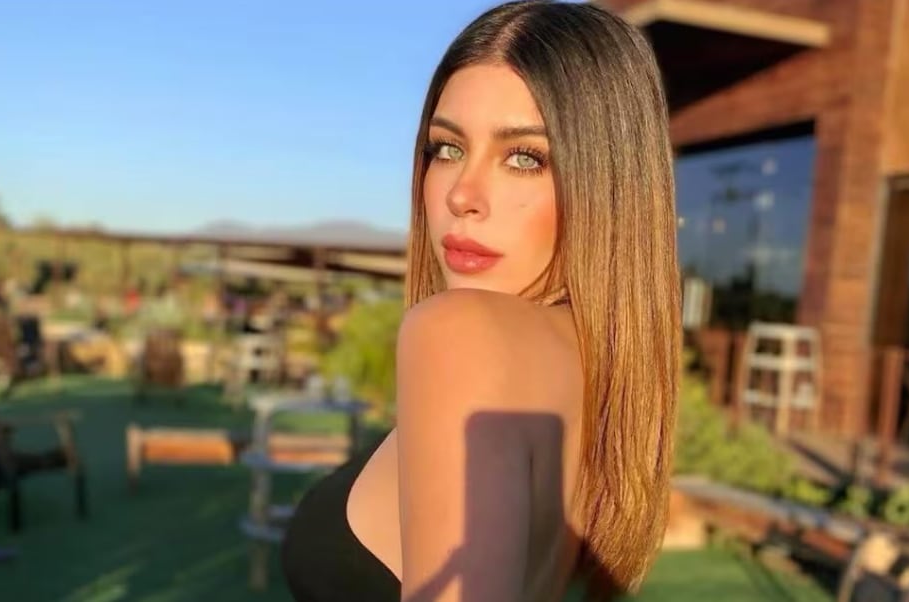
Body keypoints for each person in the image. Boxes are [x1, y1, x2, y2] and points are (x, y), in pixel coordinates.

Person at [280, 1, 681, 600]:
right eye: (446, 149)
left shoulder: (462, 334)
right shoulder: (600, 378)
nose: (462, 195)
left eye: (525, 158)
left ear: (609, 187)